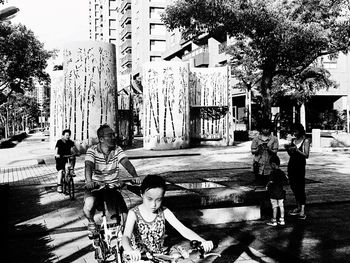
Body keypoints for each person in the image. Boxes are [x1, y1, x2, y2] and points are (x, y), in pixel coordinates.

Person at [122, 174, 214, 262]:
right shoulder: (133, 213)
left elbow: (183, 229)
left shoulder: (164, 211)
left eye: (158, 200)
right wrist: (130, 250)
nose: (153, 204)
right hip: (139, 258)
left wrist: (202, 241)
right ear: (142, 194)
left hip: (160, 257)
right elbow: (126, 236)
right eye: (149, 199)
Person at [83, 124, 142, 239]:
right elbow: (88, 165)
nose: (113, 137)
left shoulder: (117, 149)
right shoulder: (92, 151)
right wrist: (89, 181)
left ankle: (124, 239)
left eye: (113, 135)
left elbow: (126, 163)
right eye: (110, 135)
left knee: (124, 215)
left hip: (112, 187)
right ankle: (91, 222)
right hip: (95, 187)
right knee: (88, 206)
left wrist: (135, 176)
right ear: (101, 139)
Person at [284, 123, 310, 220]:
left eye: (296, 131)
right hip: (292, 164)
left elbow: (306, 155)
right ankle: (298, 206)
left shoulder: (305, 140)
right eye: (293, 131)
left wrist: (297, 150)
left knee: (300, 186)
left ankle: (302, 208)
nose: (294, 133)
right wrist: (288, 149)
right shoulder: (294, 140)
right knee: (293, 185)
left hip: (300, 165)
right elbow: (291, 154)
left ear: (300, 131)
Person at [266, 155, 288, 226]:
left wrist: (267, 185)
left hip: (273, 192)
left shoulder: (272, 173)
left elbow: (271, 181)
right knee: (281, 206)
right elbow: (286, 180)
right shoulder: (281, 172)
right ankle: (282, 219)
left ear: (273, 164)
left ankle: (274, 220)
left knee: (274, 207)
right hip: (280, 192)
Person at [55, 129, 76, 193]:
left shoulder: (70, 142)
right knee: (61, 171)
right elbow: (56, 149)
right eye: (66, 135)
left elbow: (73, 149)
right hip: (60, 157)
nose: (68, 136)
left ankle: (72, 170)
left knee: (73, 158)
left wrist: (75, 153)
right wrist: (56, 154)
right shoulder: (59, 142)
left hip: (67, 157)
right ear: (63, 135)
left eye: (69, 135)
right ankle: (59, 185)